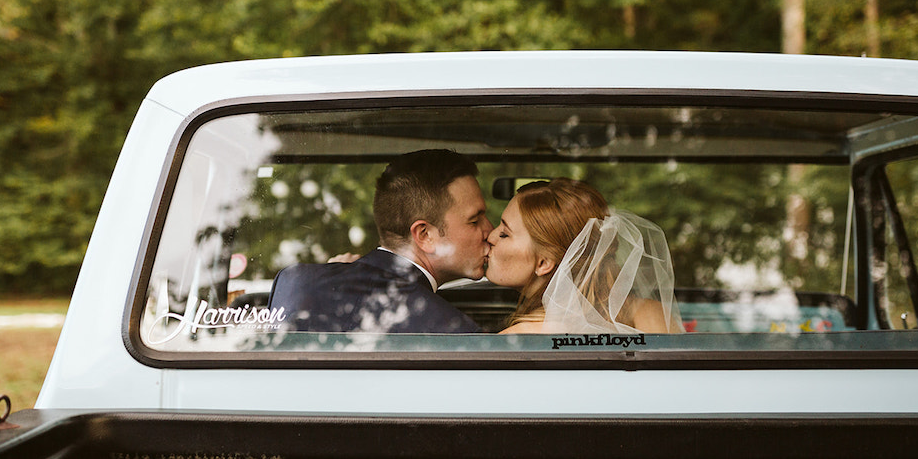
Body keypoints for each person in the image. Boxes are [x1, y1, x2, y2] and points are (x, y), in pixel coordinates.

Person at [267, 149, 492, 333]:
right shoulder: (449, 329)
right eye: (474, 221)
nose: (489, 230)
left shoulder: (293, 282)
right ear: (425, 235)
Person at [485, 178, 682, 335]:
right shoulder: (652, 314)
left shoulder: (517, 340)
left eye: (504, 234)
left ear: (544, 263)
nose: (490, 236)